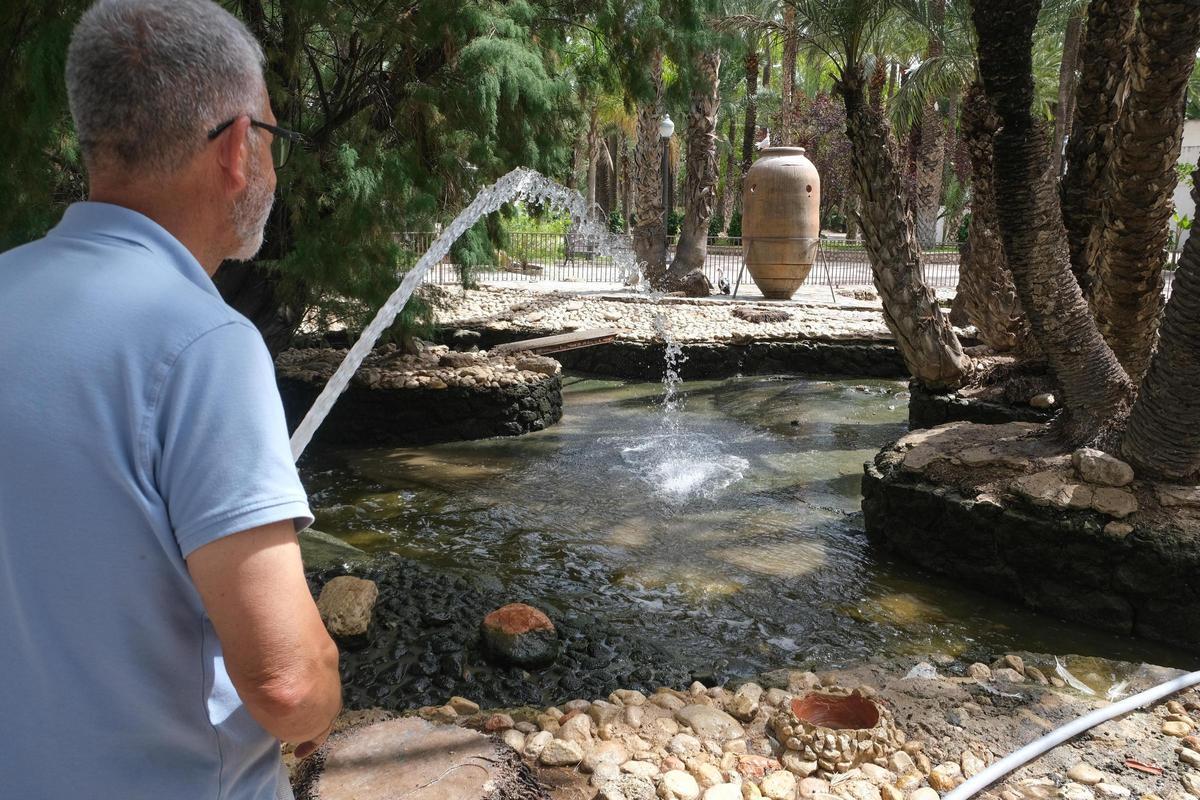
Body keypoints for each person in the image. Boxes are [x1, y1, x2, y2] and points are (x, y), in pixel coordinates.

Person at [0, 1, 342, 798]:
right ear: (234, 148)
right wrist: (325, 688)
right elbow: (285, 686)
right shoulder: (203, 347)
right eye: (271, 139)